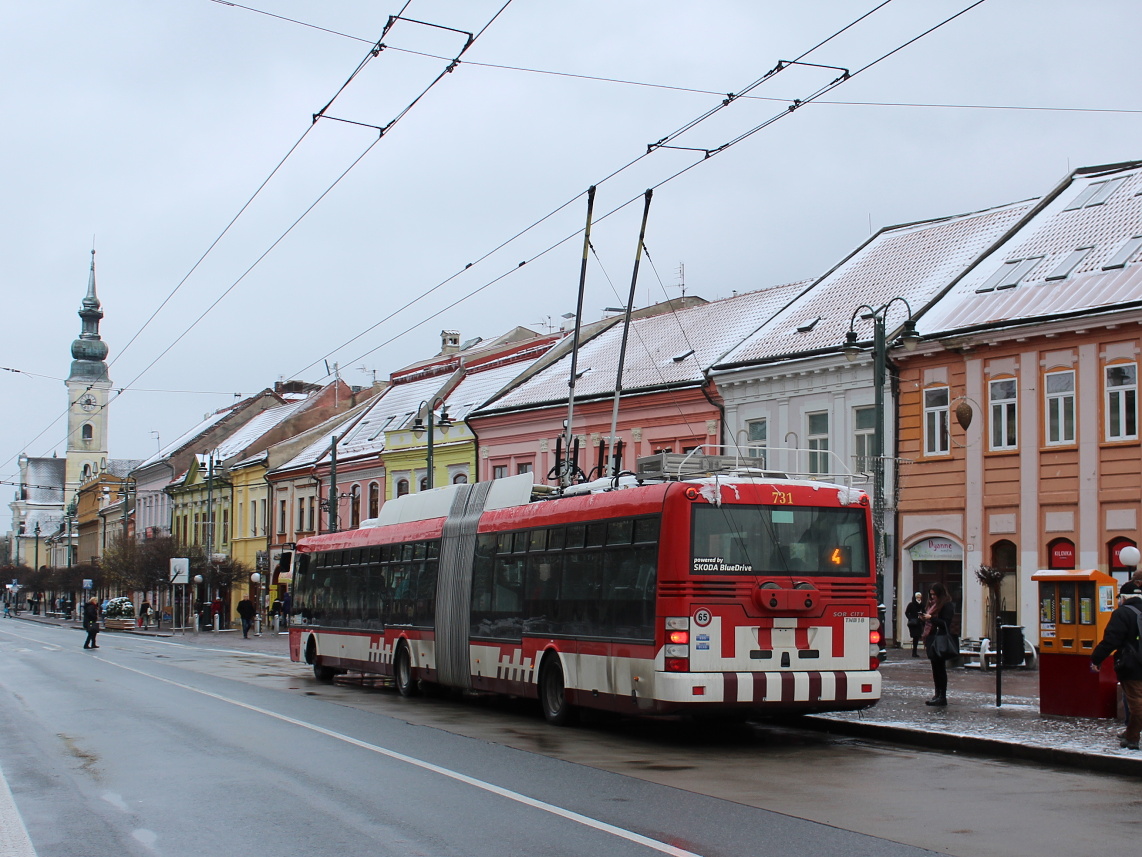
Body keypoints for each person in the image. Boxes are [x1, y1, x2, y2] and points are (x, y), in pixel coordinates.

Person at [1090, 581, 1142, 751]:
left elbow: (1112, 640)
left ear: (1125, 598)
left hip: (1132, 666)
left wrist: (1096, 659)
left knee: (1137, 705)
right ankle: (1130, 732)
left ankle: (1132, 738)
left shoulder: (1122, 614)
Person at [921, 583, 956, 707]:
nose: (932, 597)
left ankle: (942, 696)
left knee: (940, 668)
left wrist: (931, 618)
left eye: (934, 595)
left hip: (940, 639)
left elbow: (945, 623)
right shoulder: (933, 605)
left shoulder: (946, 605)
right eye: (931, 595)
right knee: (935, 668)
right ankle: (937, 694)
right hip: (932, 638)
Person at [905, 592, 924, 657]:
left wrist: (922, 617)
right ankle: (914, 652)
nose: (918, 598)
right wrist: (910, 618)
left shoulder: (922, 604)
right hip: (913, 623)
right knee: (915, 636)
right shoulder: (911, 604)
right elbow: (907, 612)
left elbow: (924, 612)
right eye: (917, 597)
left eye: (919, 597)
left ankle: (914, 652)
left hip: (919, 623)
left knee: (917, 636)